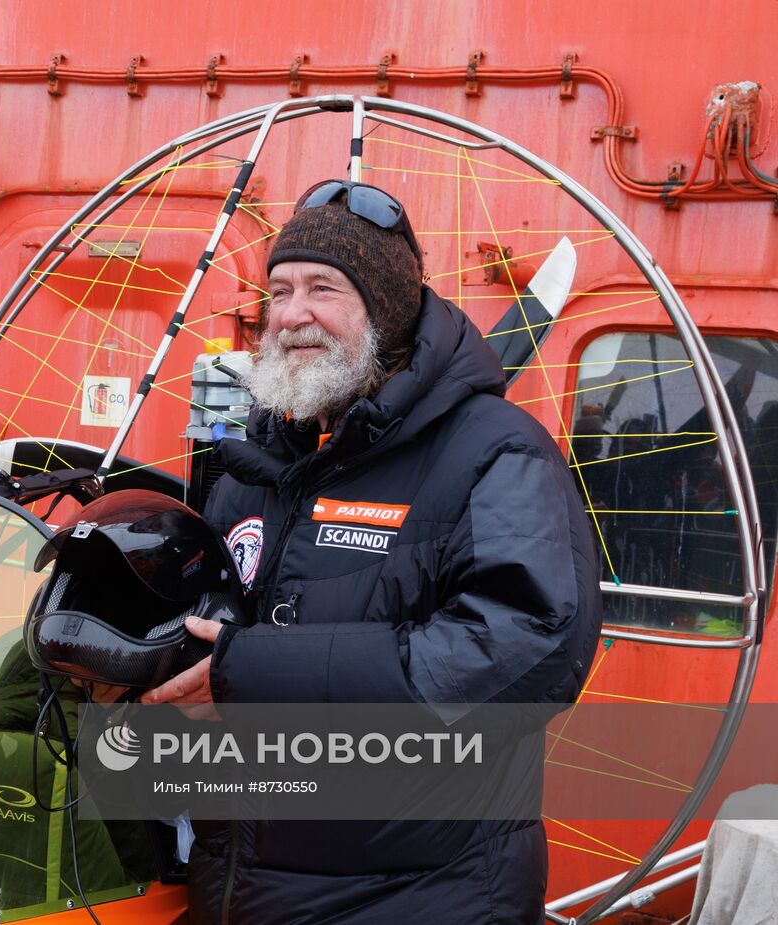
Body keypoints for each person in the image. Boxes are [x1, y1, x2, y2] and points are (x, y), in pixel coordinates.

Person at [142, 180, 603, 923]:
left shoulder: (498, 452)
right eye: (280, 288)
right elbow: (210, 631)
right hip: (242, 890)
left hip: (418, 898)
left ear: (386, 309)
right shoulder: (258, 464)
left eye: (323, 287)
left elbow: (524, 654)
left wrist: (253, 675)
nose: (292, 314)